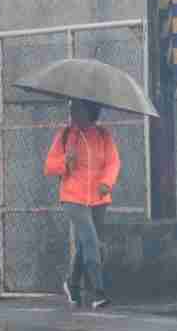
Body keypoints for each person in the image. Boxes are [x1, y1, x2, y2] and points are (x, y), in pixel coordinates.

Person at [45, 98, 121, 309]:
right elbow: (49, 166)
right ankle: (98, 292)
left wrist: (107, 182)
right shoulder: (66, 135)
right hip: (73, 197)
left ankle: (72, 284)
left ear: (89, 110)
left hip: (99, 197)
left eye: (76, 108)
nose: (72, 113)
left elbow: (113, 162)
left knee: (83, 245)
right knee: (91, 241)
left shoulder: (103, 135)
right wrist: (65, 163)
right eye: (70, 108)